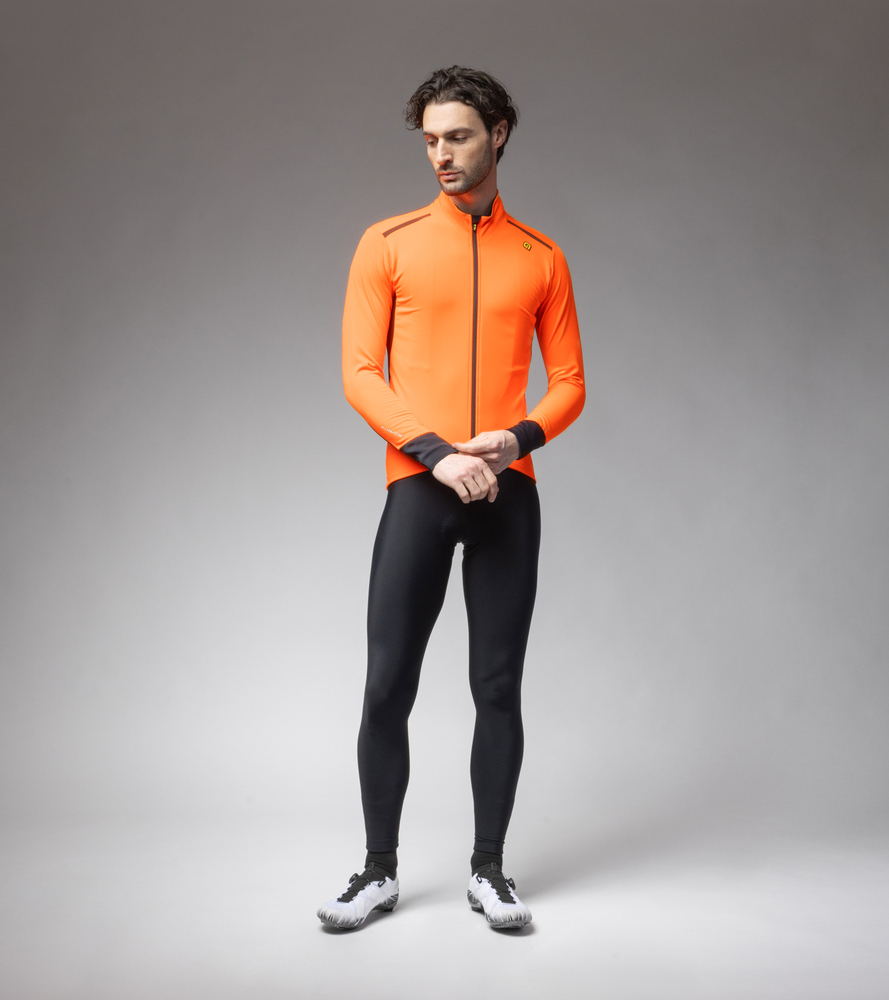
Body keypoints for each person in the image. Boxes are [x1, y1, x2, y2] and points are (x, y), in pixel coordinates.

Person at [317, 66, 585, 931]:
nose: (441, 153)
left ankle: (489, 871)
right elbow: (360, 373)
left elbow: (570, 384)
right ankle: (376, 872)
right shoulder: (387, 242)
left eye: (458, 136)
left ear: (498, 133)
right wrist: (435, 454)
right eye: (430, 139)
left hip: (507, 491)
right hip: (420, 486)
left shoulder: (541, 256)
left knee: (497, 687)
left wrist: (516, 440)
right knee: (386, 685)